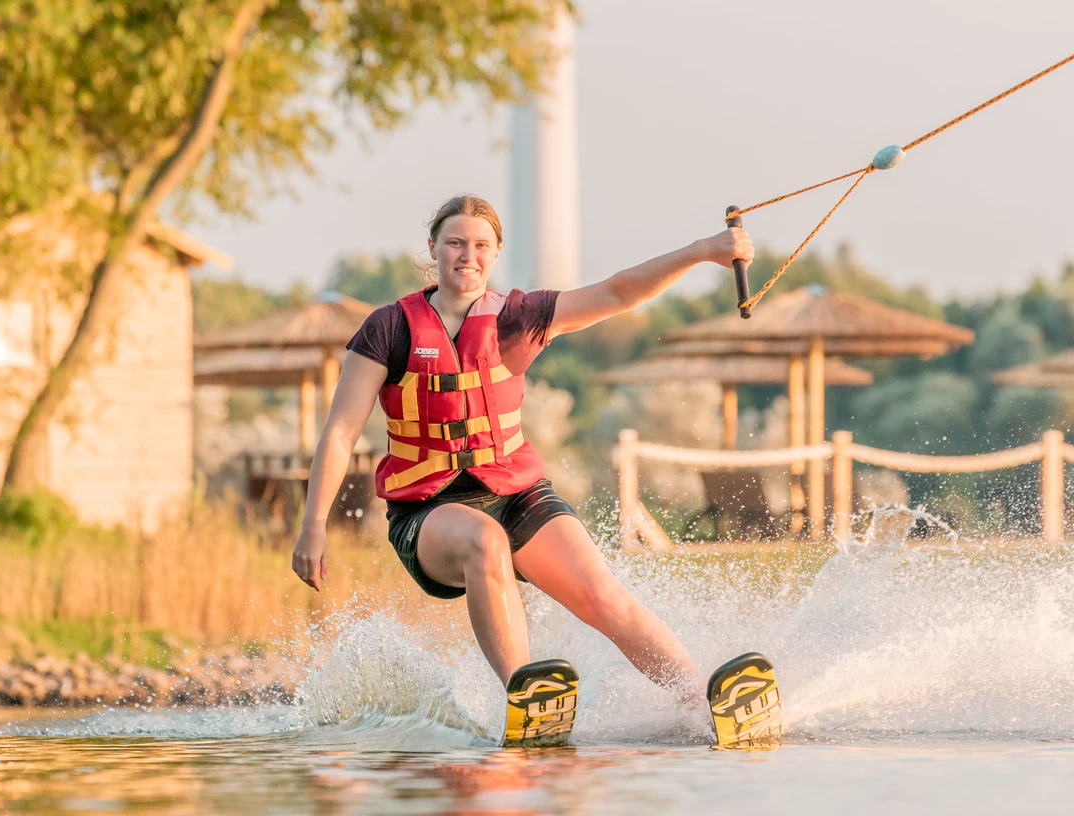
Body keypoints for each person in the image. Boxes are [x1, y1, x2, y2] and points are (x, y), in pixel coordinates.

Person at [292, 194, 754, 707]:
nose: (468, 255)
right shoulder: (389, 328)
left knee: (602, 595)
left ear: (495, 253)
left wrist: (702, 250)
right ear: (433, 248)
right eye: (455, 243)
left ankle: (703, 705)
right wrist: (314, 526)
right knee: (484, 541)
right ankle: (527, 698)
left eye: (481, 245)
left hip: (516, 492)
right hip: (427, 511)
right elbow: (340, 432)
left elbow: (619, 292)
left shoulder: (519, 318)